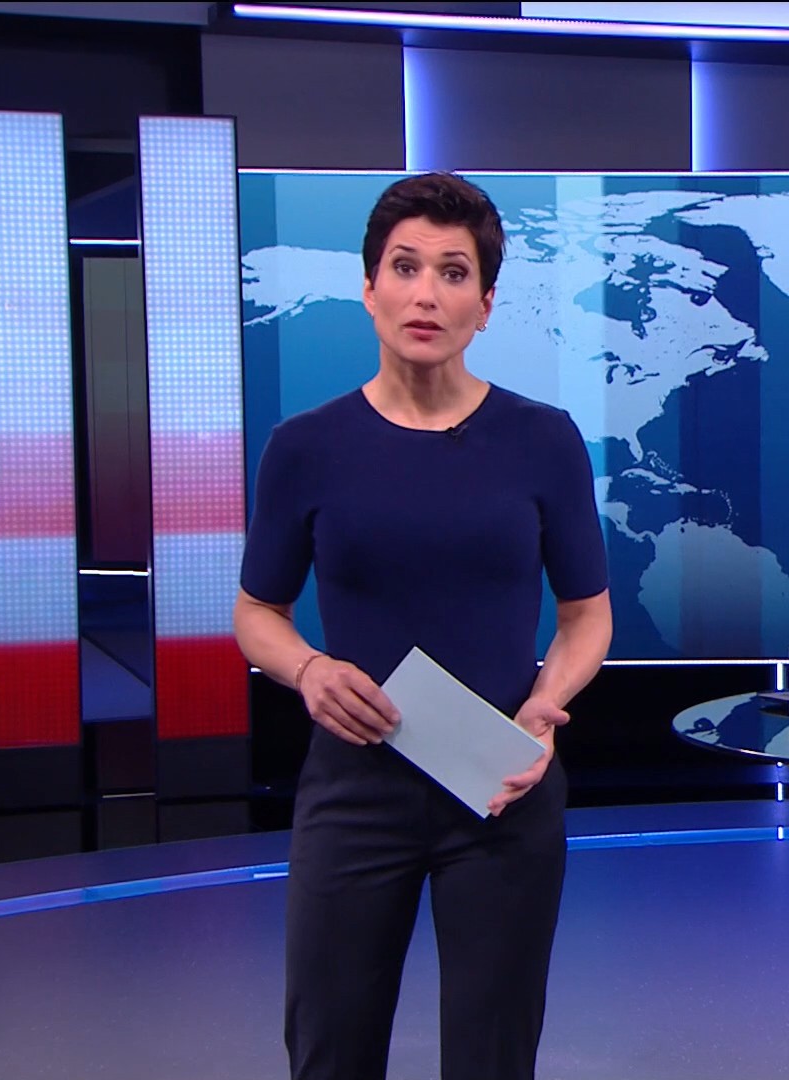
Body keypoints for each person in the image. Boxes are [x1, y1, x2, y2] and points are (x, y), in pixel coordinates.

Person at [233, 171, 613, 1080]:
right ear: (369, 290)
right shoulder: (305, 448)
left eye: (453, 273)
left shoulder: (543, 440)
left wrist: (547, 701)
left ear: (485, 305)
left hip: (501, 784)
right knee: (330, 1050)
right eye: (404, 268)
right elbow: (258, 612)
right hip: (354, 788)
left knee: (493, 1058)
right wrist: (308, 670)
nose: (426, 293)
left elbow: (586, 616)